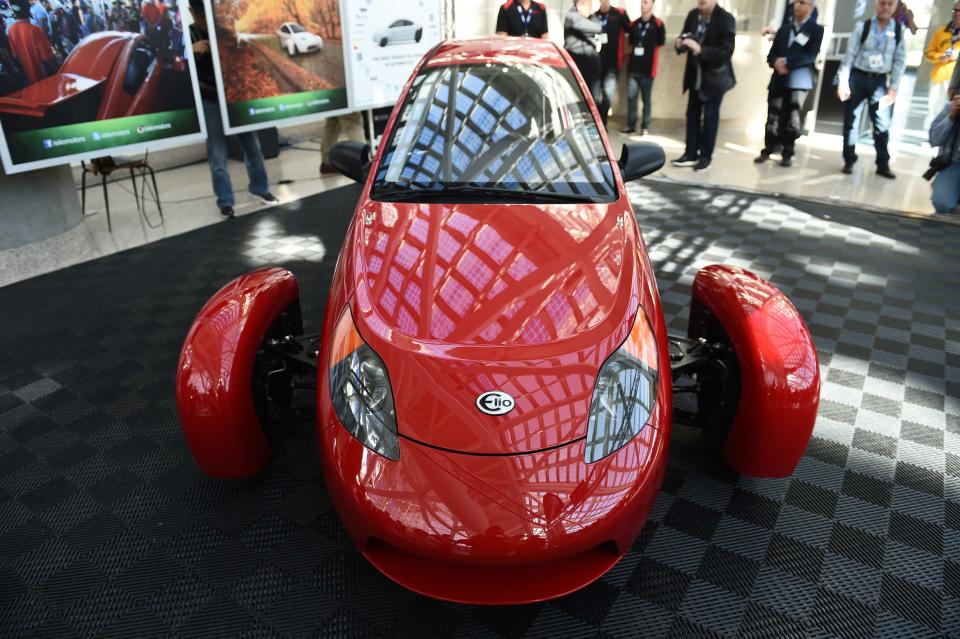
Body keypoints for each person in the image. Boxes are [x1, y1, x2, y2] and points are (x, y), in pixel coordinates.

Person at [188, 0, 278, 218]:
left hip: (235, 97)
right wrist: (192, 51)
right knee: (217, 153)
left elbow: (244, 54)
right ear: (192, 12)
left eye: (207, 14)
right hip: (210, 100)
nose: (204, 19)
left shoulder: (223, 30)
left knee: (253, 146)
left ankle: (260, 188)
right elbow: (177, 63)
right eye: (200, 16)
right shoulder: (188, 34)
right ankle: (225, 201)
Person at [836, 0, 906, 179]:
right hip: (858, 79)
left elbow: (899, 61)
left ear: (894, 7)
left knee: (882, 124)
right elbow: (849, 56)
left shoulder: (898, 30)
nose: (885, 7)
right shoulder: (863, 27)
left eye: (890, 4)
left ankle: (883, 164)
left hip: (880, 83)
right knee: (851, 121)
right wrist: (843, 82)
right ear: (876, 5)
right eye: (882, 3)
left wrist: (894, 88)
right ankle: (849, 160)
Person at [755, 0, 822, 167]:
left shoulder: (816, 30)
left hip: (798, 80)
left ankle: (787, 152)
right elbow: (772, 55)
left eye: (802, 2)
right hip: (778, 79)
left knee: (792, 119)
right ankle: (768, 149)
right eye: (795, 2)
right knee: (773, 117)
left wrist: (786, 62)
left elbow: (810, 55)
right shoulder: (784, 30)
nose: (797, 5)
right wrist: (775, 62)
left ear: (810, 7)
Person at [671, 0, 736, 171]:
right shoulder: (693, 15)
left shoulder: (726, 19)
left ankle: (706, 156)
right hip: (695, 76)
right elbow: (684, 37)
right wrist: (679, 43)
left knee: (710, 117)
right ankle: (690, 153)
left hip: (715, 79)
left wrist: (700, 49)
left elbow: (726, 51)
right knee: (692, 115)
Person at [623, 0, 664, 135]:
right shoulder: (634, 24)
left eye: (645, 2)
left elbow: (661, 42)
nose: (642, 5)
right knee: (631, 99)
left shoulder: (658, 24)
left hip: (648, 70)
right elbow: (630, 43)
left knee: (646, 100)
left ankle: (645, 127)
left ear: (652, 4)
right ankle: (630, 125)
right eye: (641, 2)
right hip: (633, 69)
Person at [923, 2, 960, 129]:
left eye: (959, 11)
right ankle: (931, 134)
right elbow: (928, 52)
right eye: (955, 10)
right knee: (933, 107)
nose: (957, 13)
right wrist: (940, 56)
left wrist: (956, 56)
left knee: (951, 109)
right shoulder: (940, 32)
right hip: (939, 77)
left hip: (956, 81)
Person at [595, 0, 630, 127]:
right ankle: (598, 121)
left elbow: (630, 30)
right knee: (595, 95)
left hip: (613, 62)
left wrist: (627, 49)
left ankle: (602, 121)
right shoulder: (594, 16)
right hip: (597, 62)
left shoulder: (619, 14)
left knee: (608, 93)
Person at [565, 0, 602, 106]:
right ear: (579, 5)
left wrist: (590, 14)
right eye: (588, 5)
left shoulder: (591, 17)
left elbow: (599, 25)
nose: (591, 8)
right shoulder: (571, 16)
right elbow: (596, 27)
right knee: (577, 99)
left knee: (594, 100)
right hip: (577, 65)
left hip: (591, 66)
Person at [7, 0, 54, 84]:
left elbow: (15, 54)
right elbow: (48, 56)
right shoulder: (34, 30)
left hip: (27, 78)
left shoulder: (11, 30)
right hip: (43, 77)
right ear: (28, 10)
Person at [928, 95, 960, 213]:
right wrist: (951, 116)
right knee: (943, 203)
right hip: (954, 165)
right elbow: (934, 140)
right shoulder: (951, 107)